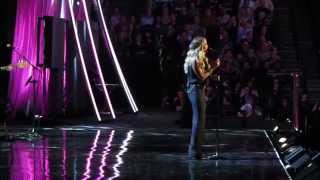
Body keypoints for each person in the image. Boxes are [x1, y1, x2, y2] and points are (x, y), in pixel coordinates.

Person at [184, 36, 220, 160]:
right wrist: (214, 67)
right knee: (199, 121)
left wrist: (211, 71)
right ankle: (195, 152)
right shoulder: (195, 59)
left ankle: (195, 151)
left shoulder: (196, 58)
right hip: (195, 90)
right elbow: (202, 76)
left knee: (198, 120)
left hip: (195, 89)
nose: (207, 46)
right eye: (204, 44)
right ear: (200, 45)